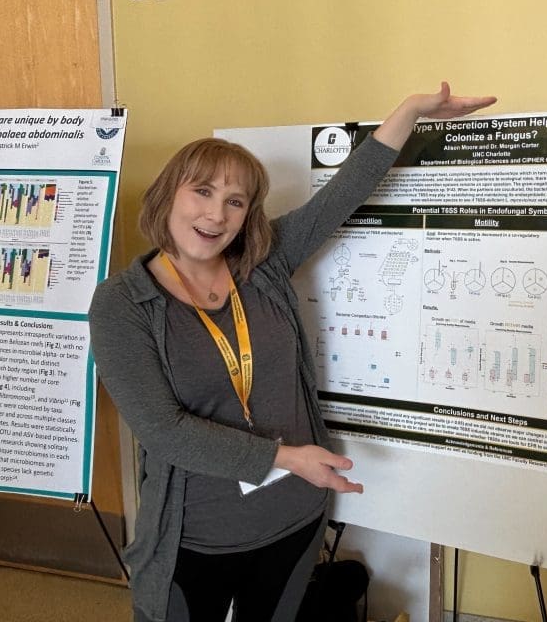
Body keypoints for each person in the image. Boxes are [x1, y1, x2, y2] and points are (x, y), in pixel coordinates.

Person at [88, 83, 496, 622]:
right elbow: (164, 430)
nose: (216, 215)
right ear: (168, 196)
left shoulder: (263, 266)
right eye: (202, 192)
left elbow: (340, 197)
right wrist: (286, 458)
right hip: (197, 535)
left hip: (294, 516)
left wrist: (410, 112)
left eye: (235, 201)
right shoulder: (123, 303)